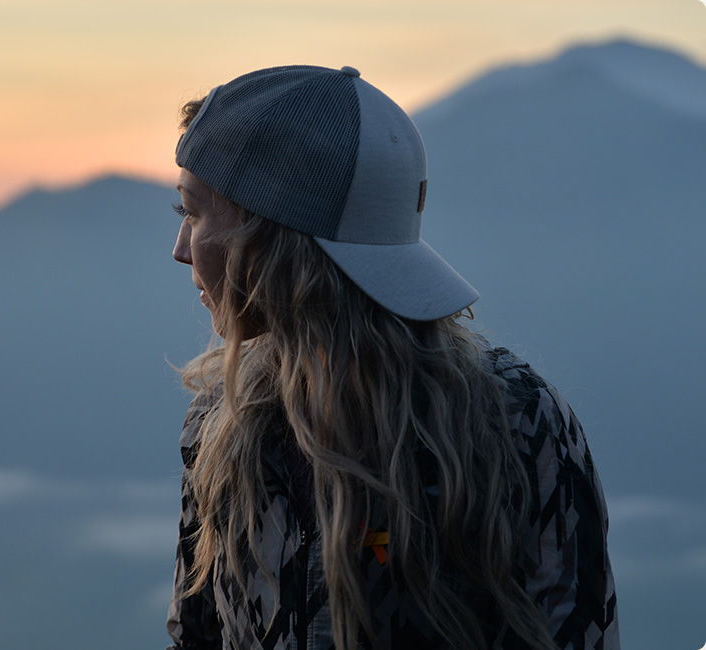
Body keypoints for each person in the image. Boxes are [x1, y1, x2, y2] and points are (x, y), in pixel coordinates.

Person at [165, 65, 619, 650]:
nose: (181, 251)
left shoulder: (518, 423)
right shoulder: (218, 427)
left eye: (192, 212)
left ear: (273, 235)